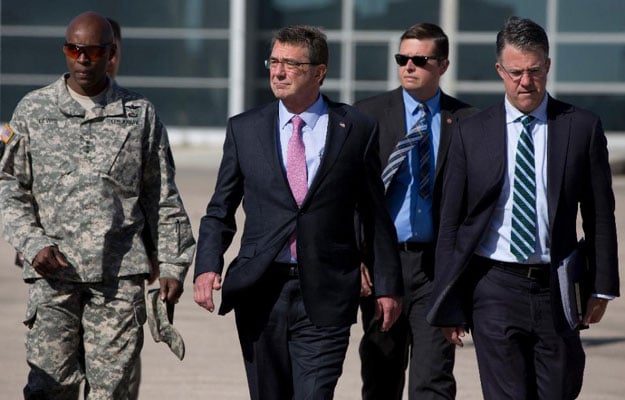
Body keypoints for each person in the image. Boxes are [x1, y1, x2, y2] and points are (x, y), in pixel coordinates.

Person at [193, 25, 403, 400]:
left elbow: (375, 215)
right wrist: (208, 264)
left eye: (291, 64)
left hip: (327, 289)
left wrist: (386, 286)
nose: (278, 72)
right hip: (262, 290)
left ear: (319, 72)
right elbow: (219, 209)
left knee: (315, 393)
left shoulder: (356, 128)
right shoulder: (245, 129)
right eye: (274, 61)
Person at [0, 11, 195, 399]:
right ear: (65, 51)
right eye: (74, 50)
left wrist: (173, 263)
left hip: (118, 279)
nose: (83, 60)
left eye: (92, 51)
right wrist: (31, 241)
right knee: (49, 387)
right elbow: (9, 186)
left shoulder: (139, 114)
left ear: (111, 53)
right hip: (53, 277)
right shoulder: (34, 110)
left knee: (112, 390)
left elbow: (162, 197)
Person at [427, 16, 619, 399]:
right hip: (494, 286)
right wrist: (447, 302)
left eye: (533, 71)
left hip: (557, 285)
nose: (525, 82)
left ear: (548, 65)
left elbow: (599, 214)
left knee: (559, 389)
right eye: (515, 72)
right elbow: (451, 223)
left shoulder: (580, 127)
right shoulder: (471, 132)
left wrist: (603, 285)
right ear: (500, 70)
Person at [354, 23, 477, 400]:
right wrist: (357, 254)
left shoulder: (469, 121)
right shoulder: (367, 116)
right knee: (381, 378)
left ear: (442, 65)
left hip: (437, 267)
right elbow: (348, 195)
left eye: (420, 60)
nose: (409, 66)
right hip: (382, 264)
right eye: (402, 58)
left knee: (433, 381)